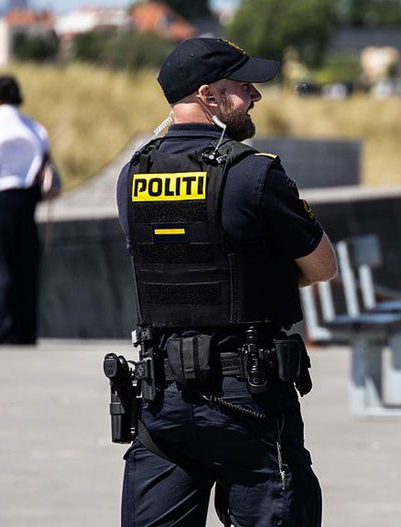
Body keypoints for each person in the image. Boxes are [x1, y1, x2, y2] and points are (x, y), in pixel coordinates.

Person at [115, 37, 336, 526]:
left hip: (161, 397)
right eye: (244, 86)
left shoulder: (133, 174)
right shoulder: (253, 173)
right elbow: (322, 267)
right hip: (246, 396)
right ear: (209, 96)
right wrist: (255, 278)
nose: (255, 95)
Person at [0, 75, 49, 345]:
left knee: (2, 266)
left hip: (0, 200)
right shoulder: (35, 127)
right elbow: (45, 166)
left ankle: (4, 328)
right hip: (28, 200)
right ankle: (27, 329)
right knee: (27, 265)